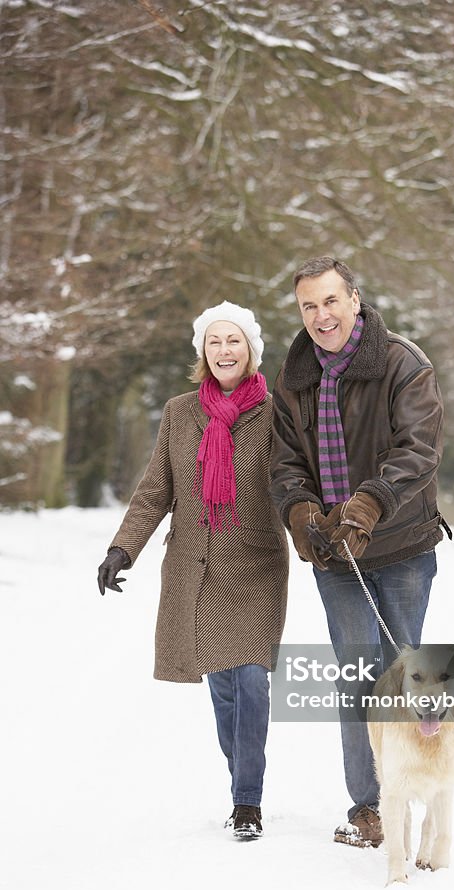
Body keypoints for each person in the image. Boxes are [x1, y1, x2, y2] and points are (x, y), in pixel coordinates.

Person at [270, 256, 449, 848]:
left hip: (401, 548)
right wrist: (302, 514)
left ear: (354, 299)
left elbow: (418, 449)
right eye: (308, 306)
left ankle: (419, 789)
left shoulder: (403, 362)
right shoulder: (294, 378)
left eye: (330, 301)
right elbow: (287, 462)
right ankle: (368, 806)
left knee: (406, 677)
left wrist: (368, 505)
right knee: (357, 678)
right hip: (337, 558)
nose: (321, 316)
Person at [97, 301, 288, 841]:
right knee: (223, 688)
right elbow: (157, 487)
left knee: (251, 680)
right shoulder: (181, 412)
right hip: (196, 567)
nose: (224, 350)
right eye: (215, 341)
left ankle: (247, 800)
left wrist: (319, 537)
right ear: (203, 351)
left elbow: (295, 483)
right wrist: (123, 549)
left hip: (255, 568)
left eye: (234, 341)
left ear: (251, 350)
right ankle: (241, 780)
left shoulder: (276, 413)